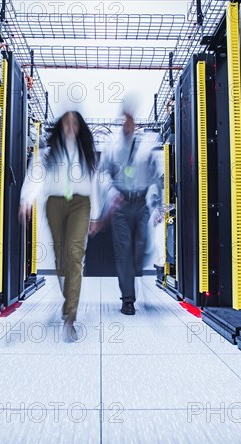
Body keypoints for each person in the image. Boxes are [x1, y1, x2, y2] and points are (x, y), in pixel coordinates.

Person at [19, 111, 100, 341]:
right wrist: (27, 200)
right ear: (60, 126)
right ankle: (69, 300)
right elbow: (35, 176)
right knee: (60, 259)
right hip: (54, 203)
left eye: (75, 123)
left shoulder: (86, 154)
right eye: (66, 122)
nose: (70, 126)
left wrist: (95, 215)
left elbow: (94, 183)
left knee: (75, 255)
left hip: (80, 203)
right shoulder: (47, 153)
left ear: (80, 127)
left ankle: (70, 318)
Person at [93, 106, 162, 315]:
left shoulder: (145, 147)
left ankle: (137, 268)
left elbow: (156, 176)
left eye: (131, 120)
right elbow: (102, 174)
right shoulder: (112, 148)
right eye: (125, 120)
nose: (128, 123)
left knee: (140, 249)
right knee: (123, 252)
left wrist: (158, 205)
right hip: (121, 205)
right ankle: (128, 300)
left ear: (135, 123)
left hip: (141, 204)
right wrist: (111, 194)